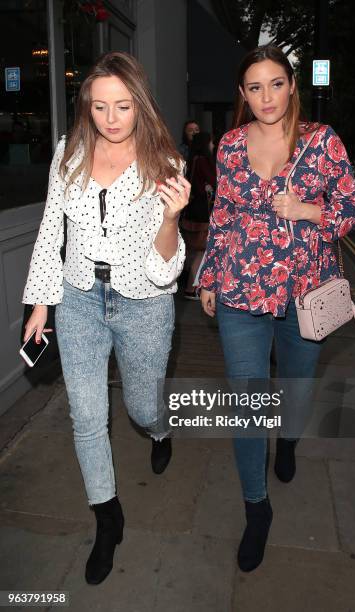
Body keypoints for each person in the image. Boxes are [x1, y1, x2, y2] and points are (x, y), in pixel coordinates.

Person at [22, 51, 190, 585]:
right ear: (86, 107)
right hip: (77, 301)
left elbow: (167, 269)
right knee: (87, 417)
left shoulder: (165, 161)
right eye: (99, 107)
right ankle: (107, 516)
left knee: (141, 407)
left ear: (138, 104)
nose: (112, 118)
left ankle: (160, 431)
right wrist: (41, 302)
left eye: (122, 105)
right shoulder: (67, 153)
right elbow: (52, 229)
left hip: (142, 300)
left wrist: (171, 219)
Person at [198, 43, 355, 572]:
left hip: (304, 294)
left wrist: (309, 209)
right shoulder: (227, 145)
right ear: (242, 94)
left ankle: (289, 438)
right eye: (254, 87)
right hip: (241, 292)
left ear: (292, 85)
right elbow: (221, 214)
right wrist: (208, 275)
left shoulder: (321, 142)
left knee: (296, 384)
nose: (265, 96)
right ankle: (256, 507)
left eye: (275, 83)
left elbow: (352, 209)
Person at [182, 131, 216, 299]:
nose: (213, 146)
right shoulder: (202, 161)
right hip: (201, 210)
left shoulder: (191, 160)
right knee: (201, 251)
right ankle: (191, 288)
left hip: (191, 210)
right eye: (211, 142)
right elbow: (213, 179)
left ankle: (187, 285)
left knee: (193, 250)